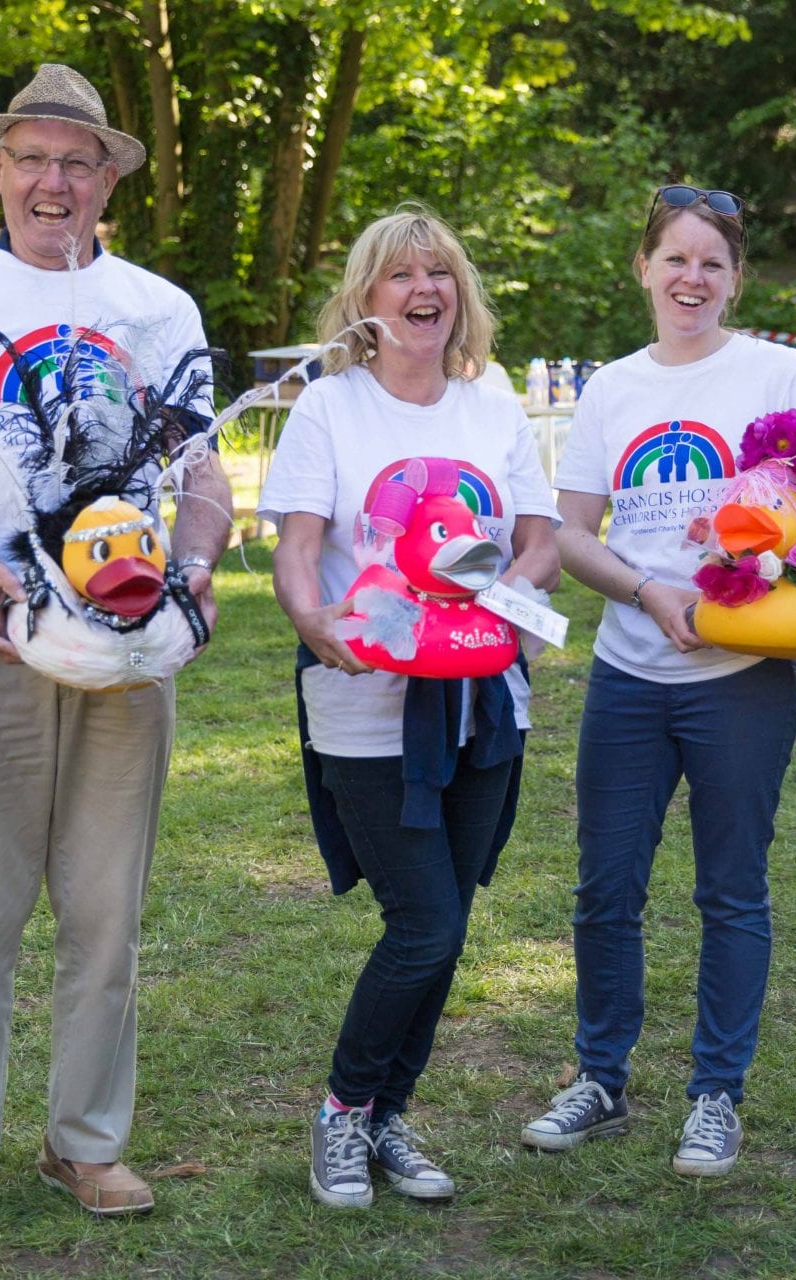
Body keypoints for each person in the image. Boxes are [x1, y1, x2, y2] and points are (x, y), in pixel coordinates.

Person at [0, 63, 232, 1232]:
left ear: (108, 180)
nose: (53, 180)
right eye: (31, 157)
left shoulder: (158, 309)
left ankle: (85, 1143)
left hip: (122, 641)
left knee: (105, 909)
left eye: (77, 161)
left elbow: (201, 469)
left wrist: (195, 566)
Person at [520, 184, 796, 1177]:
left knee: (732, 892)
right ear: (643, 267)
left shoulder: (776, 370)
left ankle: (715, 1094)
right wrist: (646, 590)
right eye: (676, 259)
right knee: (606, 889)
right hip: (629, 677)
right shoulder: (611, 390)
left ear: (735, 279)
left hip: (743, 680)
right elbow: (569, 531)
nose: (693, 279)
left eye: (712, 263)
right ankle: (599, 1076)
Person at [259, 207, 560, 1209]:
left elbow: (541, 537)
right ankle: (344, 1113)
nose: (424, 290)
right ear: (368, 297)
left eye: (440, 273)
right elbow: (298, 548)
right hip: (366, 705)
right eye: (401, 275)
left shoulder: (492, 402)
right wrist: (313, 623)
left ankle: (390, 1114)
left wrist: (513, 591)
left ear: (459, 293)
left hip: (484, 701)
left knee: (453, 920)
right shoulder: (330, 409)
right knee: (423, 923)